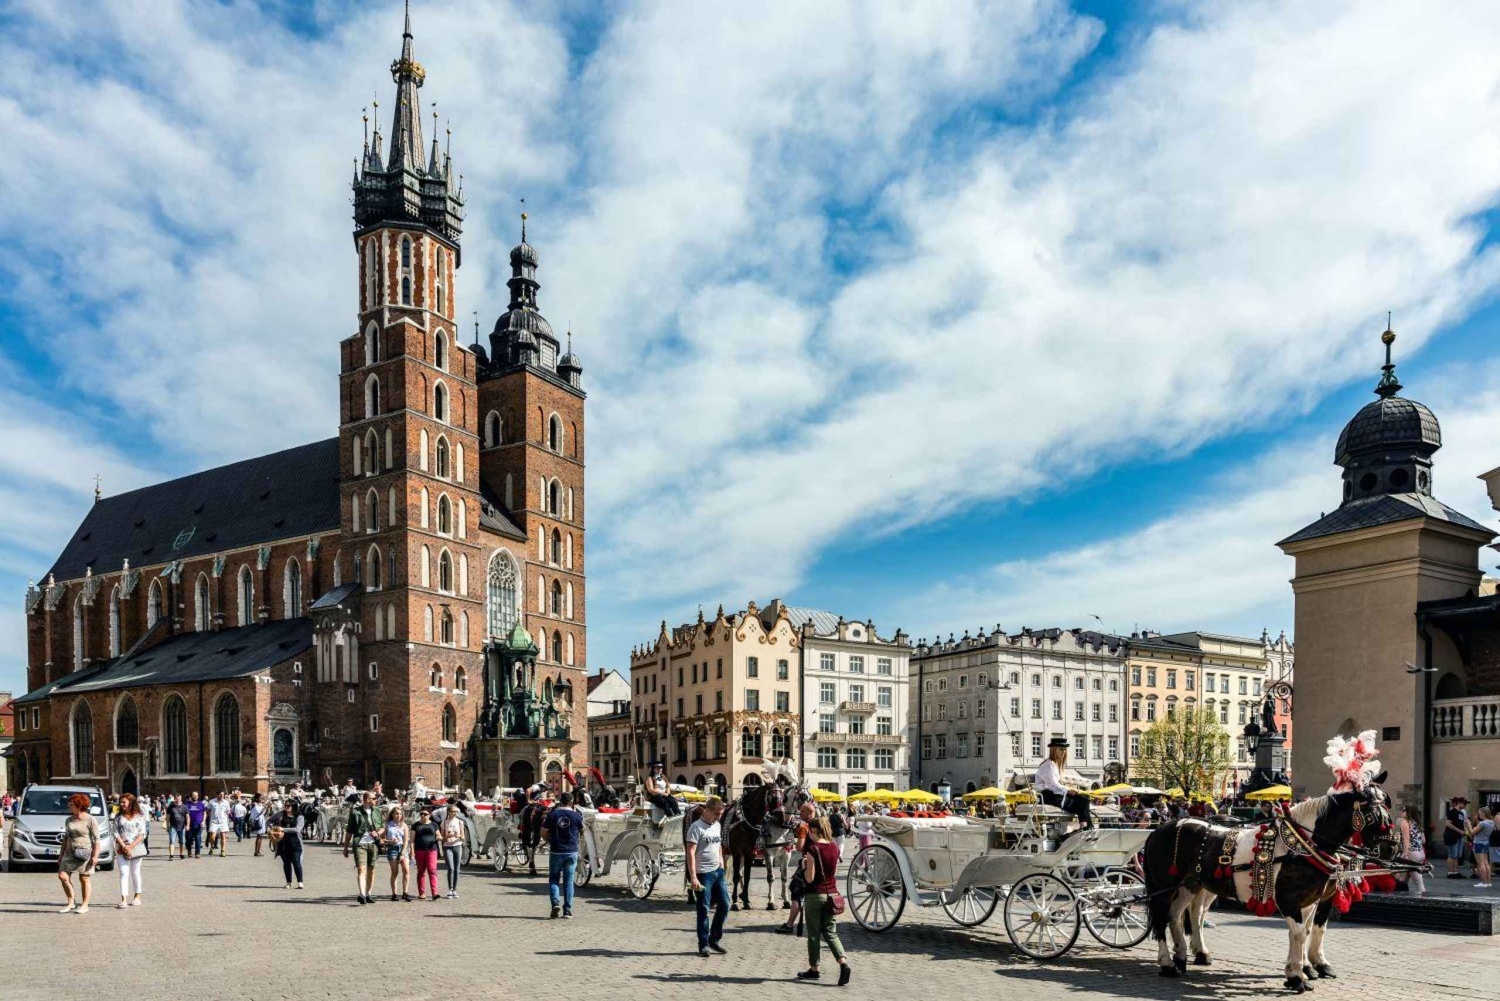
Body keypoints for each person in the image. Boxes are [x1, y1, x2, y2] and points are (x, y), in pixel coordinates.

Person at [797, 815, 851, 986]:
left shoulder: (813, 849)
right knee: (830, 932)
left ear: (814, 830)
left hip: (815, 895)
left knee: (813, 934)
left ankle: (814, 969)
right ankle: (843, 963)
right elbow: (833, 873)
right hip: (832, 894)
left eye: (810, 832)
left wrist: (805, 866)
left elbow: (810, 878)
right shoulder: (834, 847)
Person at [686, 795, 729, 957]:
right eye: (717, 813)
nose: (719, 817)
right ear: (707, 810)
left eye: (721, 814)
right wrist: (693, 877)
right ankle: (703, 944)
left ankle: (714, 939)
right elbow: (690, 852)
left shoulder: (717, 825)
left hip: (718, 872)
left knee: (725, 904)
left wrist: (721, 862)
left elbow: (718, 845)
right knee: (703, 908)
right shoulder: (696, 828)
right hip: (703, 874)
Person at [543, 792, 585, 919]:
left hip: (556, 851)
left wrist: (548, 840)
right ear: (571, 802)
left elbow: (543, 831)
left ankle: (555, 903)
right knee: (568, 881)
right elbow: (582, 830)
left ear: (560, 801)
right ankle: (567, 910)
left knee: (554, 878)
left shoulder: (552, 815)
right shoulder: (577, 816)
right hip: (571, 852)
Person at [1033, 737, 1091, 828]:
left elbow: (1055, 785)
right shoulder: (1049, 765)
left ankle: (1086, 826)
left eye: (1064, 749)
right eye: (1061, 749)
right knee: (1083, 801)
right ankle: (1085, 827)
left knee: (1085, 799)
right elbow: (1052, 785)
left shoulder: (1054, 765)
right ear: (1054, 750)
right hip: (1048, 796)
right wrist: (1067, 791)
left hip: (1054, 795)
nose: (1063, 752)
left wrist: (1068, 790)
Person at [777, 801, 816, 936]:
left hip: (807, 862)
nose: (800, 813)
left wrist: (796, 841)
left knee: (797, 892)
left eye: (802, 811)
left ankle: (789, 924)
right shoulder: (822, 824)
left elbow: (799, 847)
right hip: (821, 862)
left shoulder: (804, 827)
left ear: (809, 812)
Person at [57, 793, 100, 914]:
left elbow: (96, 839)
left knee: (84, 878)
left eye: (71, 804)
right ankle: (71, 902)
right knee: (63, 876)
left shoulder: (90, 819)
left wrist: (95, 856)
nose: (68, 806)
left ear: (79, 805)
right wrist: (60, 855)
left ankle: (85, 904)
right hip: (69, 852)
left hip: (84, 852)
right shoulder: (69, 820)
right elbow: (66, 838)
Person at [345, 791, 383, 904]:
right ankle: (362, 894)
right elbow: (349, 830)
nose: (376, 800)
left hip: (373, 844)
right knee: (361, 869)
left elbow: (382, 826)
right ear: (367, 800)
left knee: (371, 869)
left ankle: (368, 893)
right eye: (374, 798)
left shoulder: (377, 811)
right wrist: (345, 847)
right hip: (360, 844)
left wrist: (378, 833)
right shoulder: (355, 812)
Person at [111, 792, 148, 909]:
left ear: (130, 803)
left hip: (136, 847)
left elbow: (142, 833)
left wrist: (131, 846)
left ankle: (137, 896)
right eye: (120, 802)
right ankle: (124, 900)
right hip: (122, 848)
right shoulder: (118, 817)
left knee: (135, 872)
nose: (121, 804)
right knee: (123, 873)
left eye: (124, 802)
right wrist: (124, 846)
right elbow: (115, 833)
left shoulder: (139, 816)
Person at [271, 801, 305, 888]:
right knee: (286, 863)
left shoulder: (300, 817)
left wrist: (283, 829)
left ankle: (300, 881)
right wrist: (271, 827)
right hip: (283, 842)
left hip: (295, 842)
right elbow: (269, 820)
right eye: (285, 805)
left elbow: (297, 829)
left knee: (296, 862)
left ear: (293, 806)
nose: (286, 807)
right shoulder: (281, 814)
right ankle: (288, 882)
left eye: (288, 806)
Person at [410, 806, 441, 900]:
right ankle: (422, 893)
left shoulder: (434, 825)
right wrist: (412, 851)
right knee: (421, 872)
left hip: (432, 850)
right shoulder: (416, 825)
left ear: (429, 815)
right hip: (419, 850)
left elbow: (438, 835)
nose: (423, 816)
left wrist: (439, 837)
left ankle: (434, 893)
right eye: (421, 814)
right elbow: (412, 840)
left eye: (425, 814)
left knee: (432, 871)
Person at [382, 806, 412, 902]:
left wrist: (403, 852)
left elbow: (406, 840)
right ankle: (394, 894)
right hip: (392, 848)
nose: (398, 815)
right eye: (396, 814)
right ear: (392, 815)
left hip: (403, 848)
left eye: (400, 814)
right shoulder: (387, 825)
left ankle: (405, 893)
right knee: (395, 872)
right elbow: (382, 839)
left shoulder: (404, 825)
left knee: (406, 870)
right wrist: (389, 841)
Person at [1399, 804, 1427, 896]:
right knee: (1402, 879)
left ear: (1408, 812)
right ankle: (1401, 896)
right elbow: (1423, 840)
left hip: (1411, 853)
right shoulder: (1416, 823)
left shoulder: (1405, 823)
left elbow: (1406, 839)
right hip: (1420, 853)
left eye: (1404, 810)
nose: (1402, 812)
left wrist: (1405, 854)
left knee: (1418, 882)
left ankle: (1424, 899)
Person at [440, 802, 466, 899]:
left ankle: (454, 889)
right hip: (448, 846)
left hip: (457, 846)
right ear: (449, 812)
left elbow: (463, 836)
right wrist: (447, 836)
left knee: (457, 869)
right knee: (451, 868)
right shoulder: (444, 823)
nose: (455, 813)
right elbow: (441, 837)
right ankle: (450, 889)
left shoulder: (460, 822)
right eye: (453, 811)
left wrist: (459, 836)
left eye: (456, 811)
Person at [1444, 797, 1469, 879]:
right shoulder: (1452, 811)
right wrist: (1459, 831)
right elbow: (1448, 824)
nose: (1465, 805)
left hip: (1459, 836)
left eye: (1466, 804)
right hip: (1452, 835)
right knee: (1452, 854)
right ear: (1459, 803)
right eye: (1464, 803)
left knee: (1457, 855)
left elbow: (1461, 824)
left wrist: (1464, 831)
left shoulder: (1461, 813)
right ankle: (1450, 872)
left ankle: (1455, 871)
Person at [1472, 808, 1495, 889]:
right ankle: (1488, 882)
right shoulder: (1492, 822)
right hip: (1486, 842)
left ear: (1484, 813)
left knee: (1481, 863)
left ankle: (1484, 882)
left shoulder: (1483, 823)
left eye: (1480, 813)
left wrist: (1468, 825)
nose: (1479, 815)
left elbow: (1473, 833)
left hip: (1479, 843)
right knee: (1486, 863)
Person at [206, 791, 231, 857]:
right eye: (220, 794)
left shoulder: (226, 802)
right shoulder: (211, 802)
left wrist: (229, 813)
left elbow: (228, 811)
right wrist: (206, 818)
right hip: (214, 821)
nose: (222, 796)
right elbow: (207, 811)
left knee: (223, 836)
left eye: (223, 795)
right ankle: (212, 846)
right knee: (212, 836)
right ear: (217, 795)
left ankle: (223, 851)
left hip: (223, 821)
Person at [166, 795, 189, 861]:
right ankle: (171, 855)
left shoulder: (184, 807)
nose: (178, 800)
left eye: (179, 798)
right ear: (174, 799)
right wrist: (167, 826)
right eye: (176, 799)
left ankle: (181, 854)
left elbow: (187, 816)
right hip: (173, 827)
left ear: (181, 799)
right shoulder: (171, 807)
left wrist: (188, 825)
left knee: (182, 841)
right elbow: (168, 817)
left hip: (182, 827)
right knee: (172, 841)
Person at [185, 791, 208, 859]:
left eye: (196, 795)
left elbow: (204, 813)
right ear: (191, 796)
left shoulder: (201, 804)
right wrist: (185, 824)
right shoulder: (187, 804)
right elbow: (184, 814)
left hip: (198, 824)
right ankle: (189, 851)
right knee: (189, 839)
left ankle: (197, 853)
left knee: (198, 838)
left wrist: (203, 821)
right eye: (194, 795)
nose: (195, 797)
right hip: (189, 824)